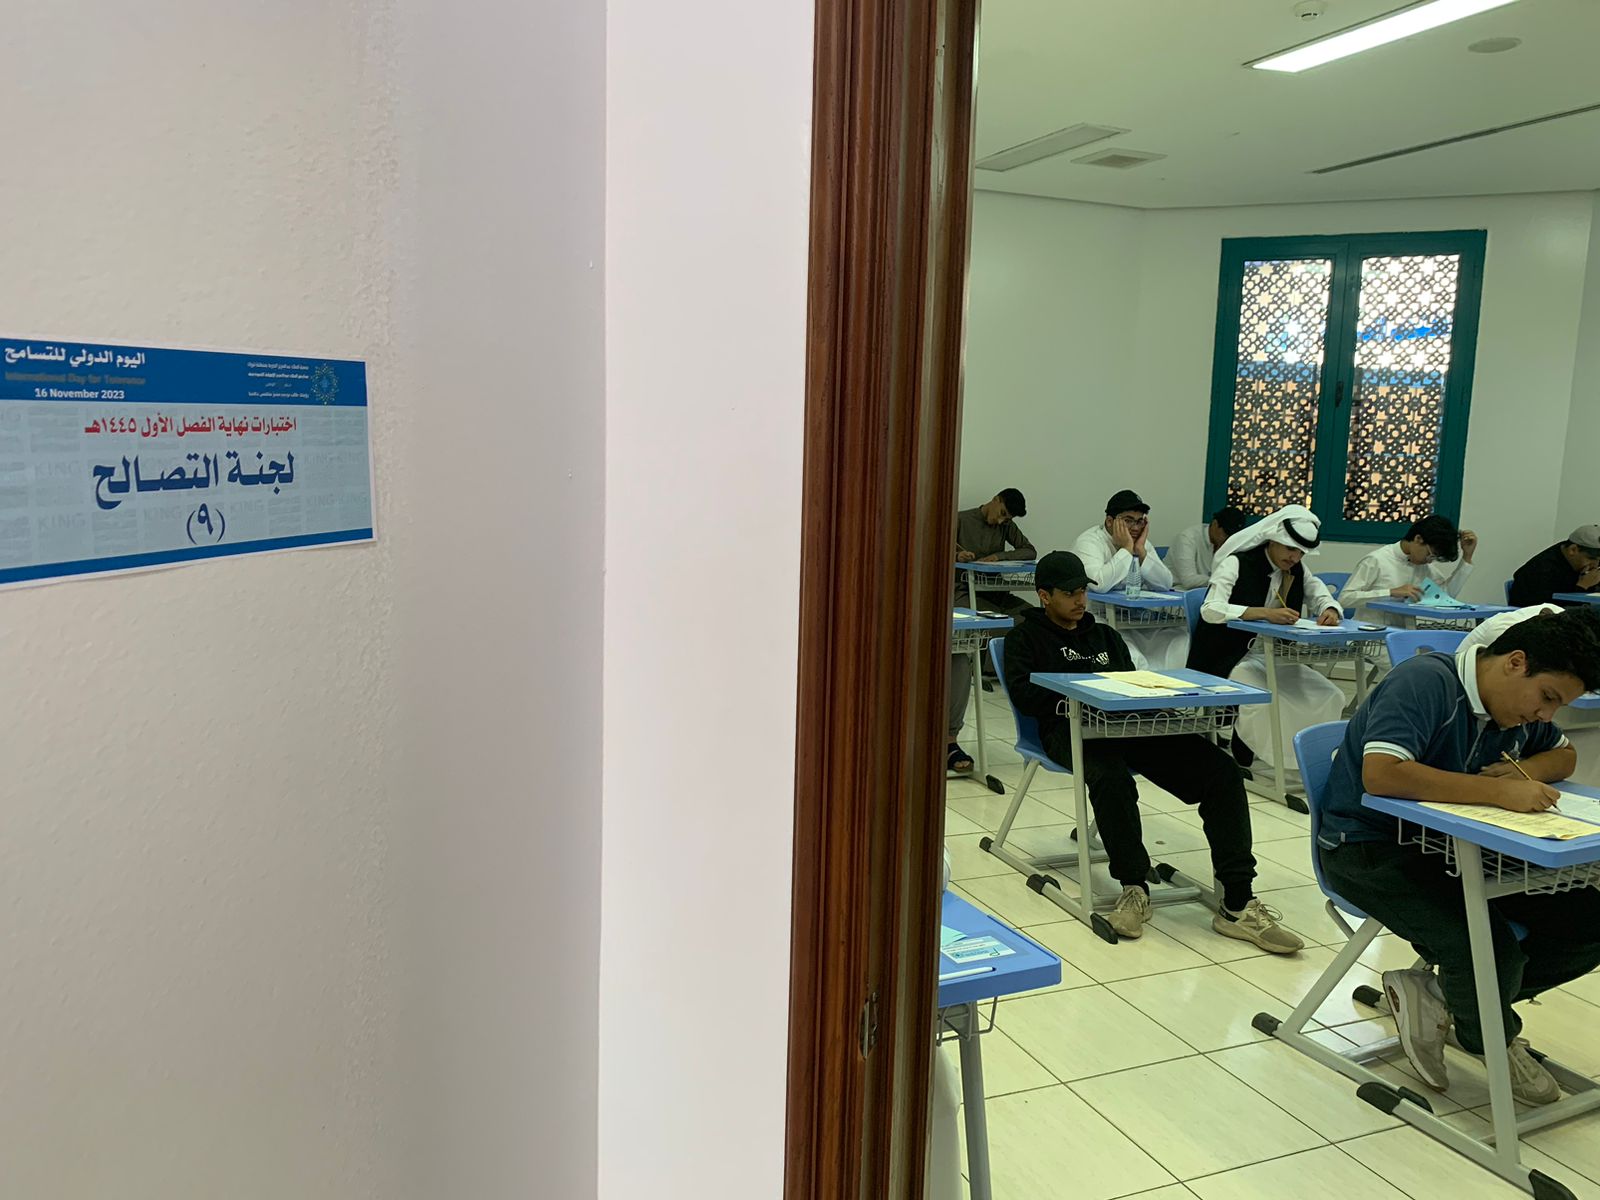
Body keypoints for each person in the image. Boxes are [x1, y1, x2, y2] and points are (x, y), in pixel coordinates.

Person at [1317, 607, 1600, 1105]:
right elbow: (1382, 774)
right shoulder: (1426, 682)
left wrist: (1525, 772)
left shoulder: (1514, 709)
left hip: (1459, 849)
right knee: (1486, 948)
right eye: (1548, 697)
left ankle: (1445, 997)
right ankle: (1489, 1036)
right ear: (1515, 662)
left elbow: (1564, 755)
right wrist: (1498, 792)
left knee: (1590, 919)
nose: (1546, 715)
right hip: (1368, 848)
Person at [1000, 550, 1302, 951]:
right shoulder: (1025, 638)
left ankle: (1238, 902)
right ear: (1044, 596)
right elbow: (1024, 696)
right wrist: (1080, 696)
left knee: (1222, 772)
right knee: (1111, 777)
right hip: (1068, 732)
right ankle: (1134, 887)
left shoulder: (1105, 636)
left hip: (1128, 728)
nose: (1080, 600)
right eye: (1069, 594)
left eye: (1083, 592)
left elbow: (1131, 684)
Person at [1188, 505, 1346, 772]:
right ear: (1272, 540)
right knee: (1267, 698)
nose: (1294, 557)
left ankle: (1302, 760)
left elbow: (1319, 593)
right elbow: (1211, 609)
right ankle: (1248, 744)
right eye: (1290, 549)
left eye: (1300, 552)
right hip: (1231, 656)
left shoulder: (1297, 569)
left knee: (1329, 694)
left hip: (1275, 656)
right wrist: (1263, 613)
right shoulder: (1236, 562)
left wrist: (1330, 609)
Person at [1073, 489, 1187, 669]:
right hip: (1099, 617)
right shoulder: (1089, 542)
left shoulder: (1141, 544)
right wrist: (1126, 549)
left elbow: (1165, 583)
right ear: (1109, 521)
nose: (1135, 528)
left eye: (1140, 521)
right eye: (1128, 520)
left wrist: (1141, 552)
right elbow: (1098, 583)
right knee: (1130, 654)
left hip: (1138, 619)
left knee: (1182, 640)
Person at [1339, 516, 1477, 626]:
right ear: (1418, 539)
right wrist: (1390, 592)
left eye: (1434, 558)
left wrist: (1467, 557)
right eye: (1430, 554)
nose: (1429, 561)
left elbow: (1445, 597)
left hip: (1405, 635)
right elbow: (1345, 599)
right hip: (1371, 636)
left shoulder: (1425, 568)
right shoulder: (1377, 560)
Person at [1509, 526, 1600, 607]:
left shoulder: (1573, 557)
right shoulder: (1541, 569)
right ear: (1573, 550)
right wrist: (1582, 586)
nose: (1595, 565)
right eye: (1591, 558)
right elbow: (1550, 611)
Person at [1168, 506, 1248, 591]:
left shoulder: (1230, 543)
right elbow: (1189, 580)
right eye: (1226, 534)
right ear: (1215, 524)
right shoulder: (1187, 539)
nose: (1228, 539)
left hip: (1210, 590)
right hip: (1177, 591)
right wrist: (1222, 580)